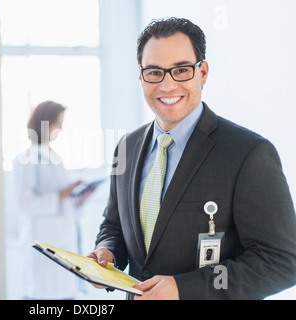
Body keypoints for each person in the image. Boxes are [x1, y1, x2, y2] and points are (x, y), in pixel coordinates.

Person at [87, 17, 296, 300]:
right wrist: (108, 251)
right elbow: (114, 225)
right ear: (141, 77)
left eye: (181, 70)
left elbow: (282, 262)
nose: (167, 85)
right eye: (154, 72)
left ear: (203, 72)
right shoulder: (126, 147)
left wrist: (186, 289)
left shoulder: (248, 153)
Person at [14, 100, 94, 299]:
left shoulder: (55, 157)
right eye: (57, 122)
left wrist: (78, 199)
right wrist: (64, 194)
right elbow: (26, 203)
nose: (61, 128)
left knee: (65, 292)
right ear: (44, 123)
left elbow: (62, 202)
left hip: (63, 241)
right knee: (43, 295)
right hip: (43, 243)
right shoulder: (26, 158)